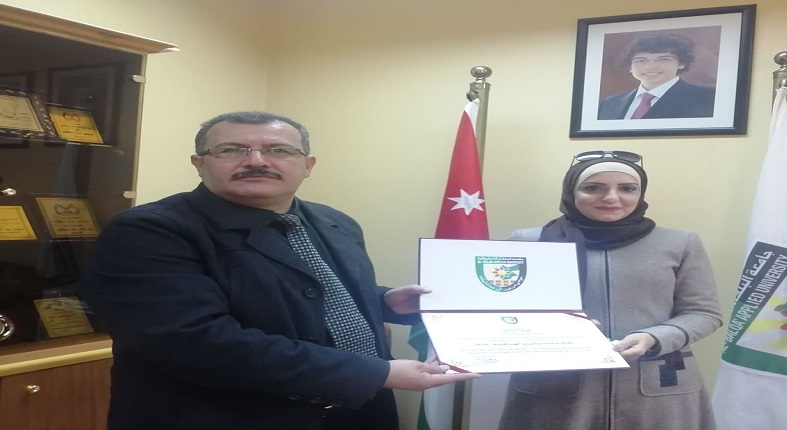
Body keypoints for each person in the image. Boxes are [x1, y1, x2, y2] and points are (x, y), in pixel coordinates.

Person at [79, 111, 478, 430]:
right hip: (226, 417)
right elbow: (197, 342)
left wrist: (385, 301)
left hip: (357, 413)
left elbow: (307, 293)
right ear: (199, 164)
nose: (256, 161)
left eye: (278, 150)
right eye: (231, 150)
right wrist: (375, 373)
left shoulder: (336, 222)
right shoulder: (150, 231)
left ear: (308, 165)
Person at [497, 150, 723, 430]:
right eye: (594, 188)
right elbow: (499, 313)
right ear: (571, 191)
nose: (611, 198)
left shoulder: (680, 243)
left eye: (627, 188)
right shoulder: (529, 242)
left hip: (658, 389)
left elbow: (704, 313)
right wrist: (554, 328)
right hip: (554, 388)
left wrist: (654, 337)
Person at [597, 33, 716, 120]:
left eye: (663, 59)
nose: (651, 67)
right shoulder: (610, 103)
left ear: (681, 63)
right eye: (641, 60)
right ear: (630, 67)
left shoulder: (708, 96)